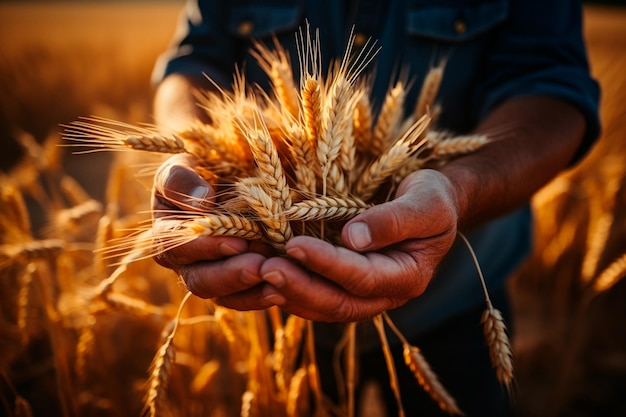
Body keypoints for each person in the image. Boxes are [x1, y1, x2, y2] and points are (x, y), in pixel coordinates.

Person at [149, 1, 600, 415]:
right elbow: (192, 63)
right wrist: (195, 150)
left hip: (456, 297)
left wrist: (458, 191)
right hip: (273, 298)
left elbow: (553, 87)